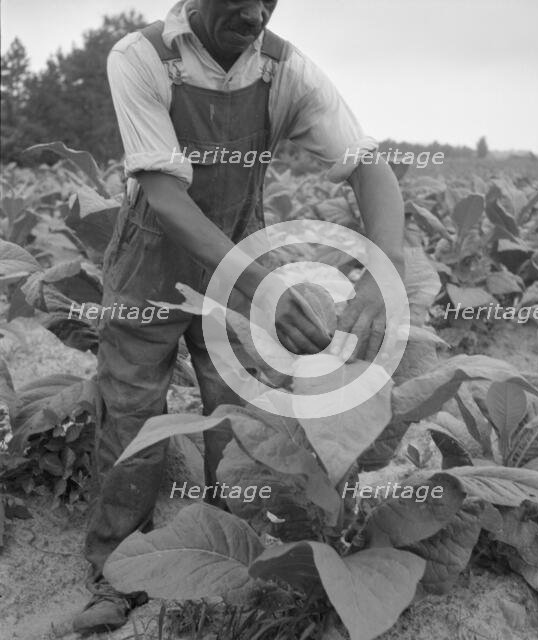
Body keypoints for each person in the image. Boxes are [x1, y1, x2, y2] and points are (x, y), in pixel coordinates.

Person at [73, 0, 406, 633]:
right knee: (132, 414)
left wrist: (379, 276)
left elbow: (368, 164)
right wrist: (262, 288)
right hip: (153, 260)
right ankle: (115, 574)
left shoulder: (286, 72)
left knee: (239, 419)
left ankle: (231, 568)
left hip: (237, 254)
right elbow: (166, 196)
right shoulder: (141, 58)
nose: (253, 12)